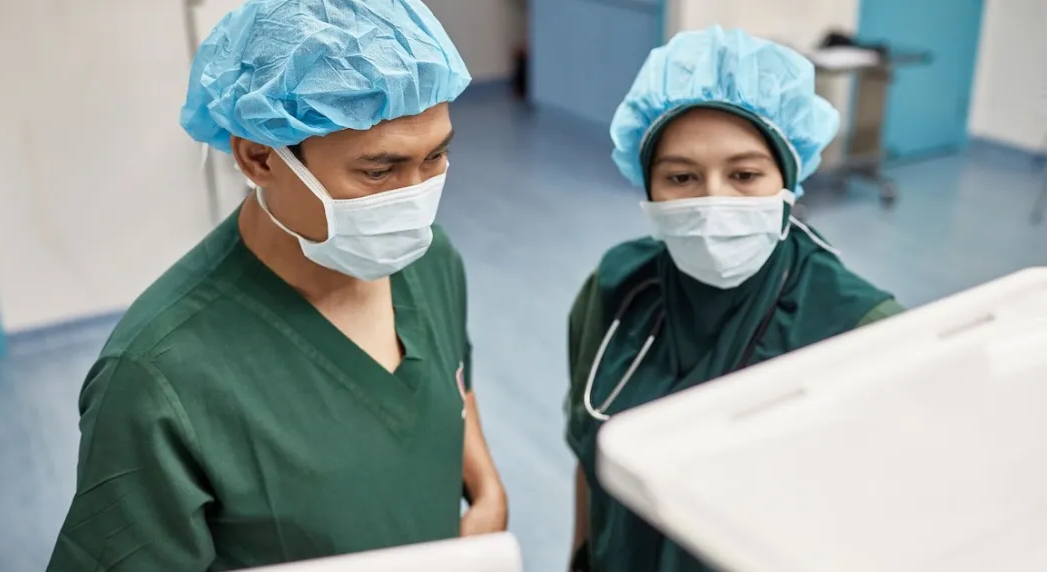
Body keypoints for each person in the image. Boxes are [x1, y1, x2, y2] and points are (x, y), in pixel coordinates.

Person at [46, 1, 507, 570]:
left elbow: (454, 387)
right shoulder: (155, 379)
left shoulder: (432, 261)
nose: (414, 199)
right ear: (260, 157)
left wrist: (487, 489)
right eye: (378, 170)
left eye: (435, 156)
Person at [564, 27, 902, 572]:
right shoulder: (617, 289)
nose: (714, 199)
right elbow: (588, 455)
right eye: (681, 177)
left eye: (745, 174)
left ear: (787, 182)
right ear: (648, 189)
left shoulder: (857, 326)